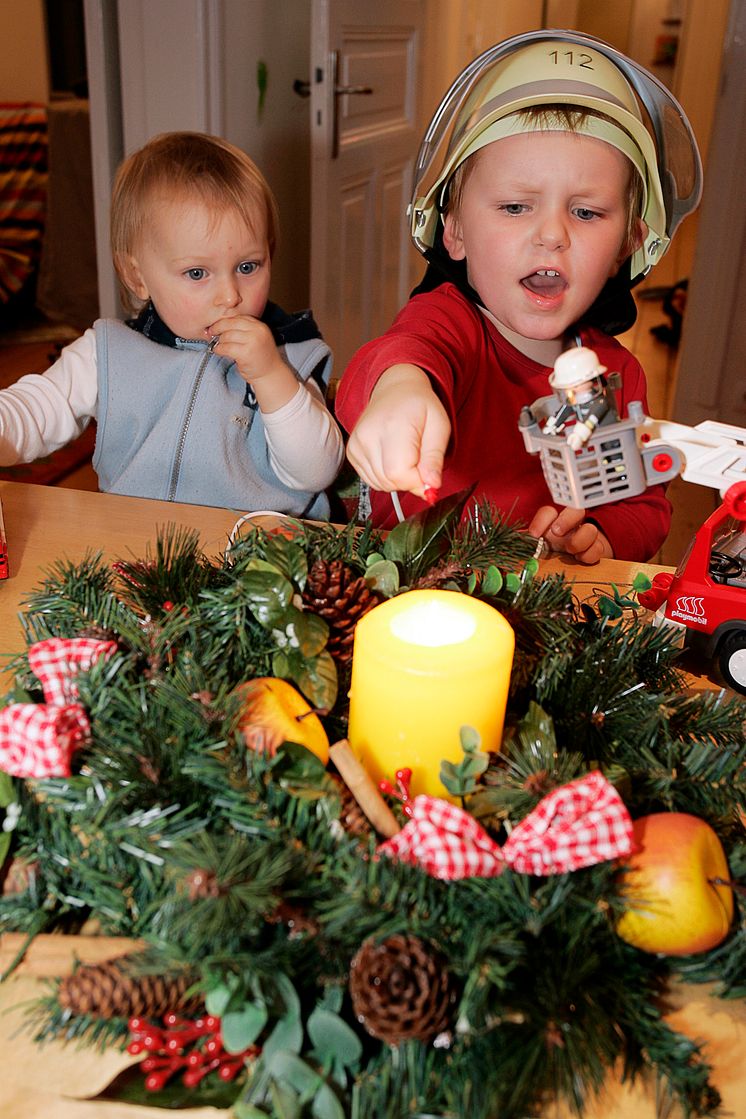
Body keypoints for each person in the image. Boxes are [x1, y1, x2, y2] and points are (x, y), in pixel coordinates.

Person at [335, 30, 702, 562]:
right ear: (454, 230)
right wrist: (401, 390)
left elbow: (641, 505)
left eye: (586, 212)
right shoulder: (449, 326)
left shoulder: (614, 378)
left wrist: (601, 534)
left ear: (628, 244)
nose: (552, 234)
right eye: (514, 207)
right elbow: (401, 354)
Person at [0, 132, 344, 518]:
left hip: (256, 564)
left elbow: (315, 471)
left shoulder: (289, 354)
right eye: (197, 272)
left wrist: (270, 376)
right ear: (137, 277)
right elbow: (36, 410)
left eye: (248, 267)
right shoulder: (110, 353)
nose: (229, 295)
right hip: (136, 558)